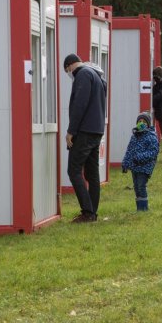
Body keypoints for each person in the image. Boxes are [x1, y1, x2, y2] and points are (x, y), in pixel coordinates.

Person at [63, 53, 107, 223]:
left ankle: (87, 212)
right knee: (92, 173)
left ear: (70, 65)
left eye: (67, 70)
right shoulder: (96, 75)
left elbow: (79, 105)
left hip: (84, 131)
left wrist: (71, 131)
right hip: (96, 130)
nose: (69, 73)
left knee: (73, 170)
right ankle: (93, 212)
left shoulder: (82, 75)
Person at [121, 112, 160, 211]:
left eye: (144, 122)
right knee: (136, 187)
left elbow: (153, 152)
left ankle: (144, 208)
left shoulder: (151, 136)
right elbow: (129, 151)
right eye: (139, 121)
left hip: (145, 167)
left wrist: (140, 157)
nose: (141, 123)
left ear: (148, 124)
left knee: (141, 185)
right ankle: (139, 208)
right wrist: (125, 163)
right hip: (135, 167)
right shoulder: (134, 136)